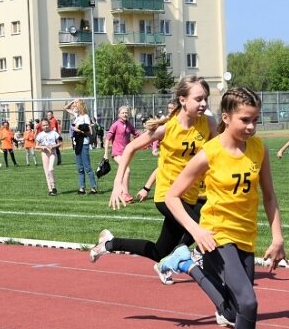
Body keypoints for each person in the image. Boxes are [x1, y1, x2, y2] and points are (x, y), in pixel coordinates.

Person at [161, 87, 287, 329]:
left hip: (246, 237)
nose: (251, 127)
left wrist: (277, 237)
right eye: (245, 120)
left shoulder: (258, 150)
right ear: (227, 117)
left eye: (256, 120)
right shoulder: (210, 152)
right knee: (249, 303)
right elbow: (172, 196)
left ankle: (186, 265)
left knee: (232, 311)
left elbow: (269, 197)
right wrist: (195, 229)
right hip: (216, 235)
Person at [89, 76, 219, 285]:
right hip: (168, 195)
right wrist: (118, 183)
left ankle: (109, 243)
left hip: (192, 194)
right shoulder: (167, 128)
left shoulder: (209, 123)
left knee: (160, 251)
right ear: (183, 100)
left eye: (206, 99)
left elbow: (218, 153)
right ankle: (196, 260)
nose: (204, 104)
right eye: (199, 99)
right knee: (203, 224)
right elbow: (130, 147)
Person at [104, 106, 140, 204]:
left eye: (126, 113)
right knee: (127, 171)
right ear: (119, 114)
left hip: (126, 153)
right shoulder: (115, 125)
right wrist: (106, 154)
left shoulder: (129, 125)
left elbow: (137, 134)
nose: (125, 114)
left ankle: (120, 191)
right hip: (117, 153)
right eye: (123, 113)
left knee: (123, 172)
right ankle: (125, 194)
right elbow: (107, 139)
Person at [66, 99, 97, 195]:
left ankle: (93, 188)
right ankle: (82, 188)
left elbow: (90, 132)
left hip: (84, 143)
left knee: (87, 167)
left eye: (76, 104)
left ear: (81, 106)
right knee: (80, 168)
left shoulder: (85, 116)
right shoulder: (77, 116)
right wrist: (72, 101)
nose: (74, 106)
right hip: (77, 143)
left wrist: (79, 130)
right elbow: (66, 108)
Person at [34, 118, 61, 195]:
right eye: (43, 125)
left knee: (51, 169)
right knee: (46, 172)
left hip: (52, 153)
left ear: (49, 125)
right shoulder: (40, 135)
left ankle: (54, 186)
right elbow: (36, 146)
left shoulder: (54, 133)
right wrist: (43, 147)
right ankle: (50, 190)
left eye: (46, 125)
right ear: (41, 126)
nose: (45, 126)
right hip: (44, 154)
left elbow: (60, 143)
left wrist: (53, 146)